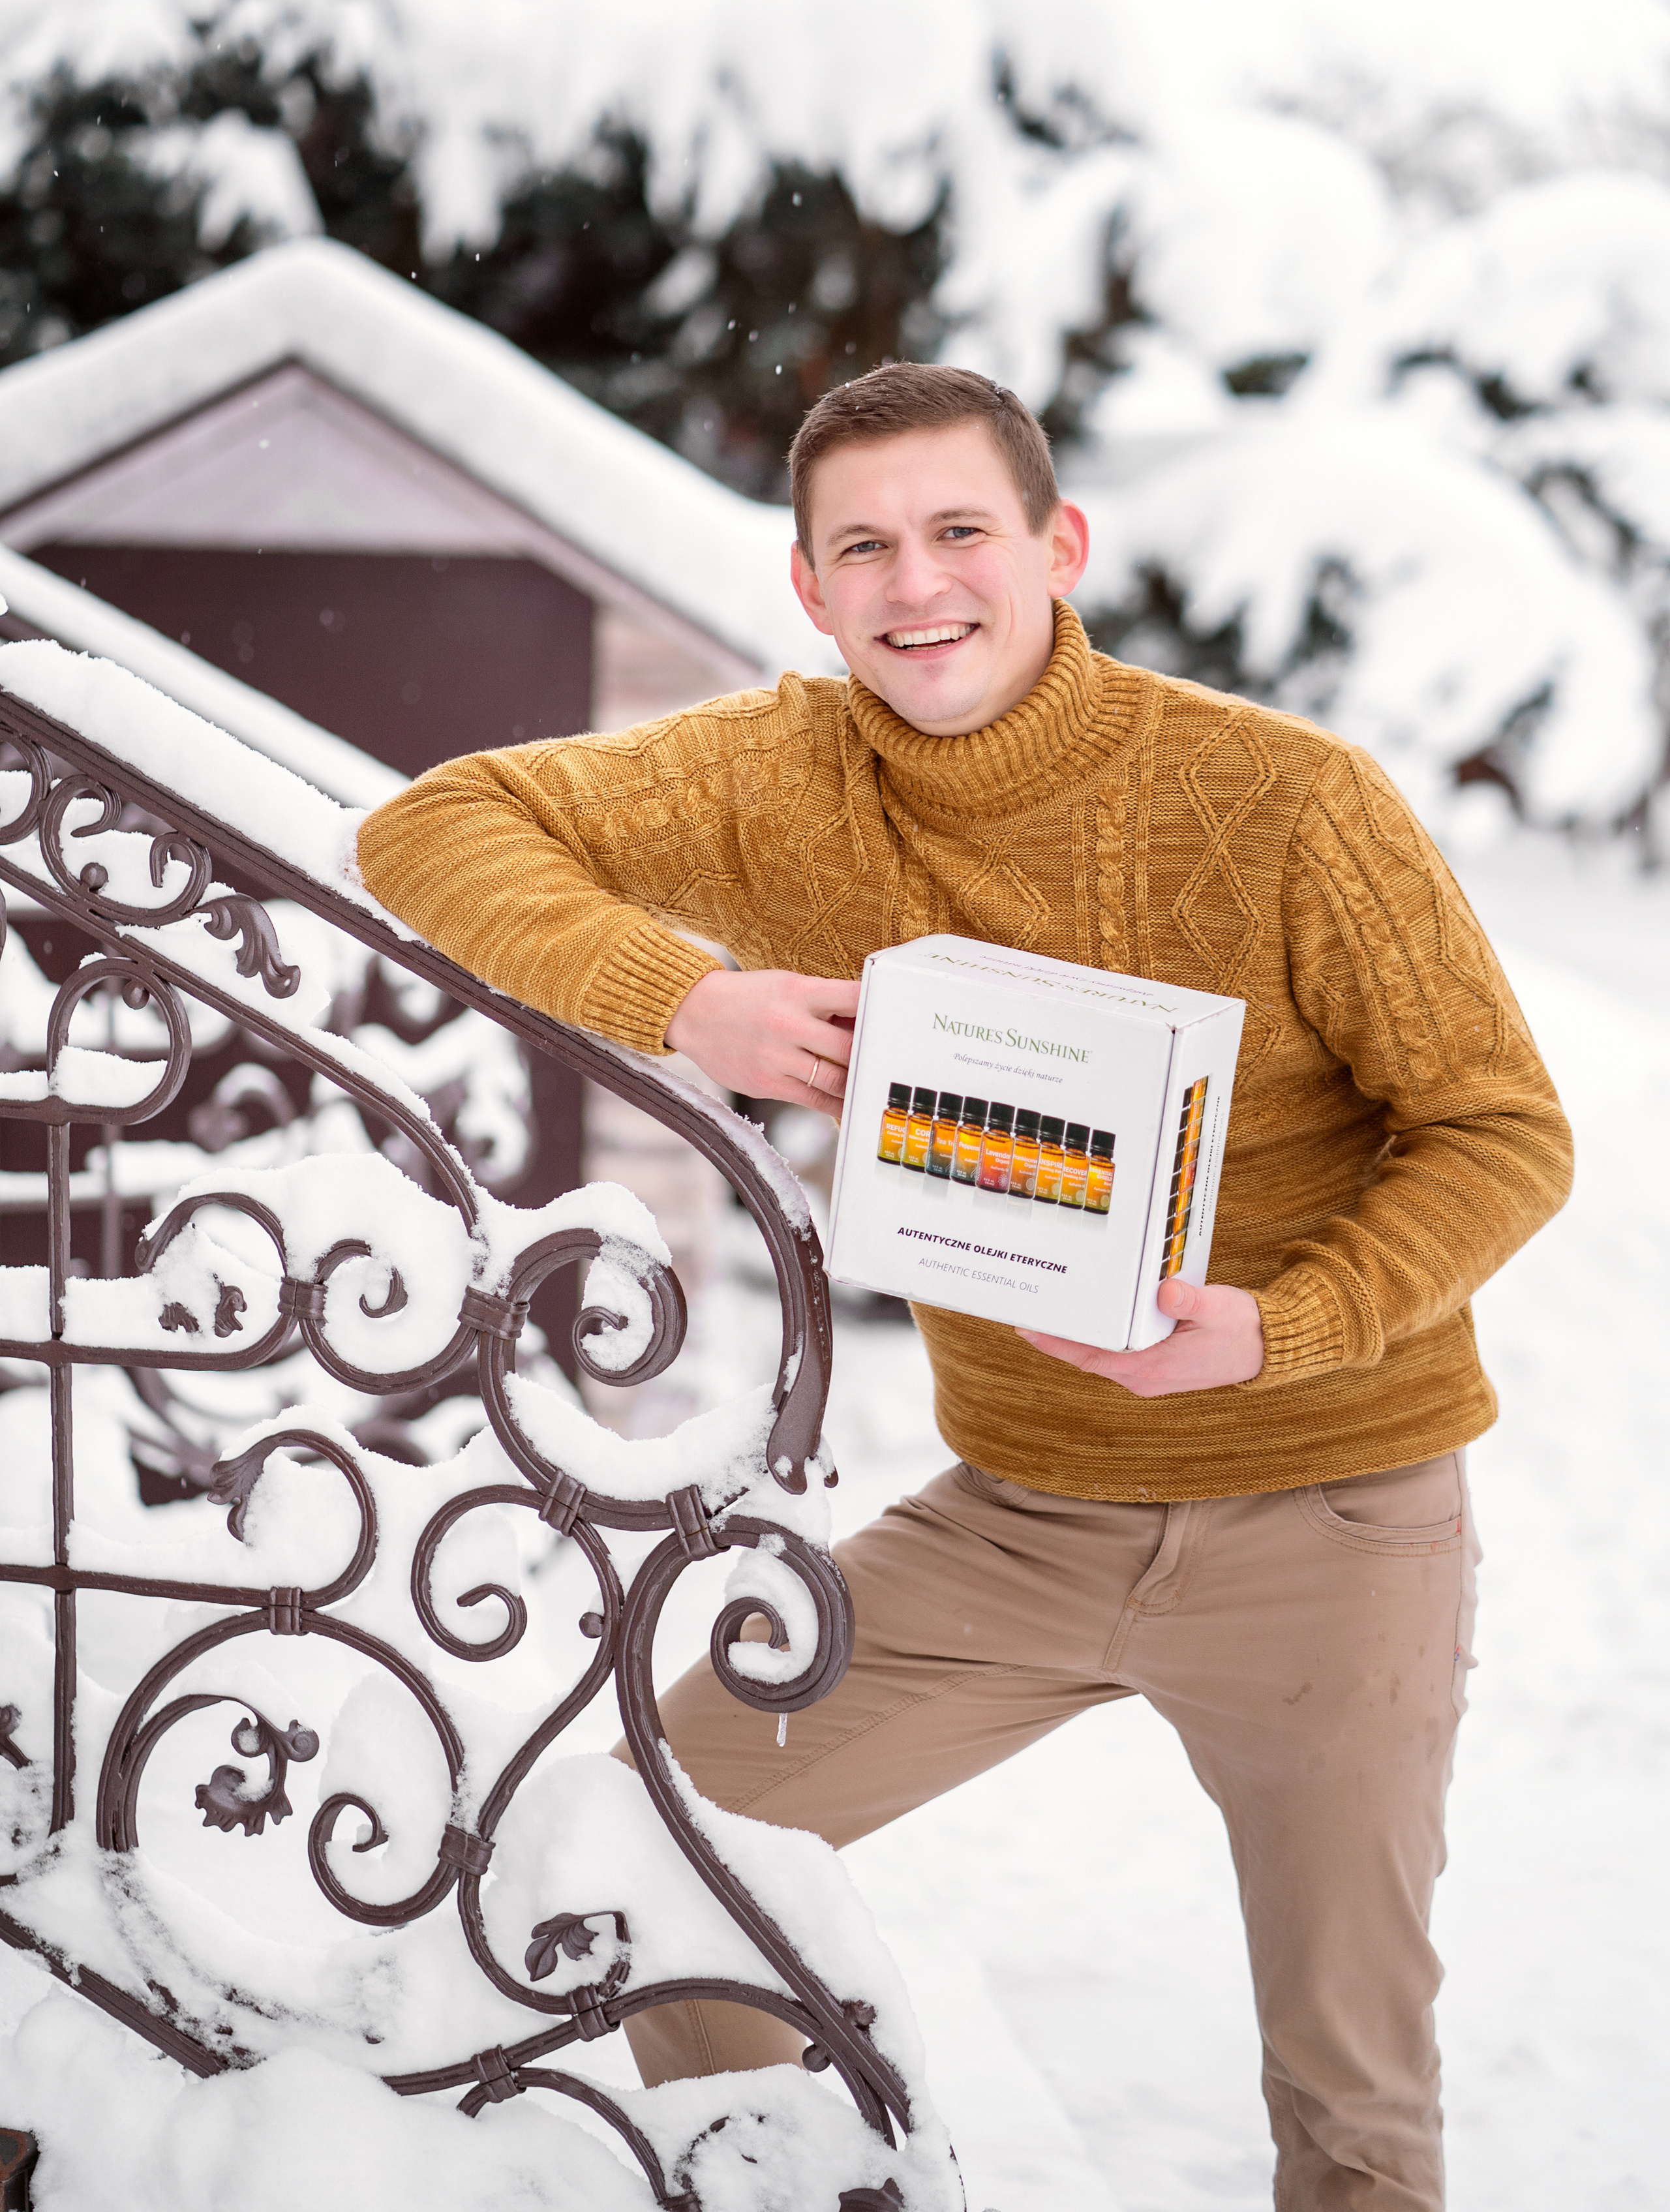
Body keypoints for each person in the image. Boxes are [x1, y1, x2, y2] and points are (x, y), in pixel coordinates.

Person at [356, 365, 1571, 2208]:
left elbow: (1504, 1134)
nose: (916, 584)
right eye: (866, 548)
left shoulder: (1289, 800)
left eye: (958, 533)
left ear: (1057, 546)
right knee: (658, 1841)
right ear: (811, 589)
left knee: (1352, 2093)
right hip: (1019, 1522)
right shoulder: (779, 780)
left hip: (1329, 1516)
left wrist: (1286, 1326)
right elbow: (433, 826)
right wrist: (690, 1000)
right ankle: (806, 2180)